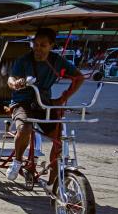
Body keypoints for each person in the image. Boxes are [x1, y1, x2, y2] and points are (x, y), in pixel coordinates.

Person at [6, 27, 84, 186]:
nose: (38, 49)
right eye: (35, 44)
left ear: (51, 46)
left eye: (43, 45)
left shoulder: (57, 61)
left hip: (45, 104)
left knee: (59, 139)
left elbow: (79, 77)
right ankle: (17, 161)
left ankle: (53, 181)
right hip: (23, 102)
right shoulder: (24, 60)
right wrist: (15, 83)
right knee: (25, 128)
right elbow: (11, 78)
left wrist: (62, 99)